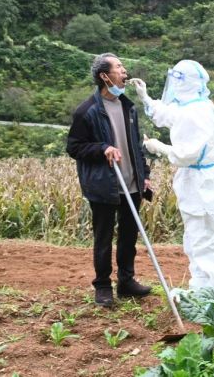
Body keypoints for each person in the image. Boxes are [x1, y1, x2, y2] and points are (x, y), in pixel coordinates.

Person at [129, 60, 214, 292]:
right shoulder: (196, 105)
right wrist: (146, 97)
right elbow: (170, 115)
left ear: (185, 84)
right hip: (197, 180)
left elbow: (185, 154)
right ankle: (202, 286)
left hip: (202, 183)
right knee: (196, 236)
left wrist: (158, 146)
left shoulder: (196, 113)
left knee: (208, 236)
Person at [67, 53, 152, 308]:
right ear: (105, 76)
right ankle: (103, 286)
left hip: (132, 183)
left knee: (128, 235)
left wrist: (144, 175)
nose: (124, 72)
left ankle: (126, 282)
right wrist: (102, 148)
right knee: (103, 237)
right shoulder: (86, 111)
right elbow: (75, 147)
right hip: (105, 184)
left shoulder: (128, 107)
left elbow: (135, 146)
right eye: (119, 67)